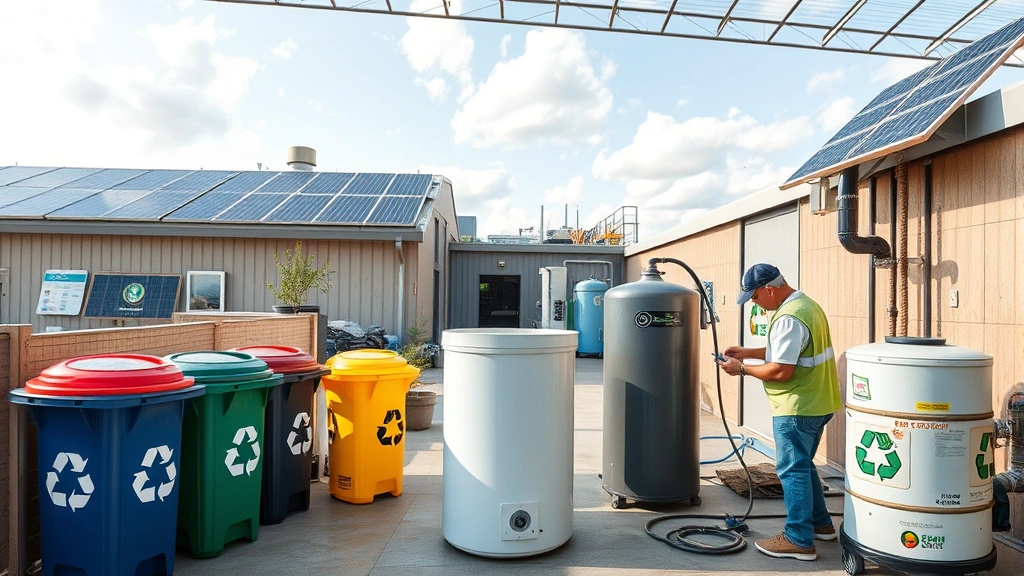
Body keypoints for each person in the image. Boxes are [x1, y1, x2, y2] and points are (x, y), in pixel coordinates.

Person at [716, 263, 841, 561]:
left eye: (755, 298)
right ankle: (822, 526)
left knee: (792, 469)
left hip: (796, 407)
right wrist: (747, 352)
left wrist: (741, 368)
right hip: (818, 402)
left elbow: (781, 370)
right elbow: (787, 350)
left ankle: (799, 539)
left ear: (769, 289)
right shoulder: (806, 305)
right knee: (804, 466)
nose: (754, 305)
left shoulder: (788, 318)